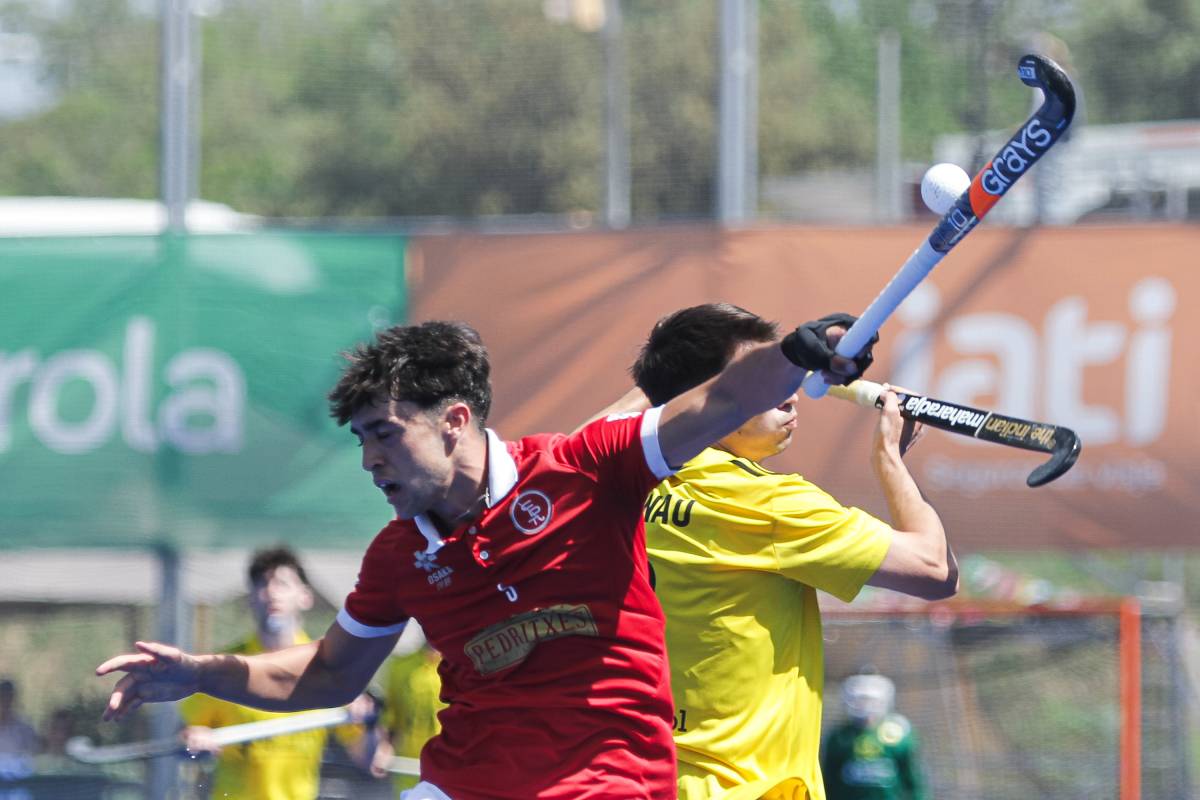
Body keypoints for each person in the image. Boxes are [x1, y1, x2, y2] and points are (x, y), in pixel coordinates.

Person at [95, 314, 875, 800]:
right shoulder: (398, 557)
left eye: (385, 433)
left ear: (454, 421)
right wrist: (201, 674)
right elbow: (326, 675)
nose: (369, 458)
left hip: (606, 786)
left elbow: (725, 399)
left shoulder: (586, 469)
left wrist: (802, 353)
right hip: (460, 785)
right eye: (360, 437)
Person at [628, 304, 955, 800]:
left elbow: (646, 405)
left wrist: (780, 360)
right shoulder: (768, 503)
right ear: (711, 399)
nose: (789, 394)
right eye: (765, 381)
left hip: (644, 778)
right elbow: (935, 569)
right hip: (748, 788)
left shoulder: (619, 476)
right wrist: (891, 458)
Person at [177, 546, 387, 800]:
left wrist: (369, 724)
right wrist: (194, 741)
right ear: (251, 598)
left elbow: (371, 760)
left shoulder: (326, 667)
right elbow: (186, 738)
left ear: (305, 596)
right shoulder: (226, 667)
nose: (272, 593)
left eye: (283, 584)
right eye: (262, 585)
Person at [821, 673, 928, 800]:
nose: (864, 705)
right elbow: (828, 782)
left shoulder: (900, 737)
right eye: (860, 700)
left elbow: (914, 783)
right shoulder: (839, 738)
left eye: (869, 700)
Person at [373, 621, 445, 795]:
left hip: (453, 772)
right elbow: (391, 719)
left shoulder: (466, 668)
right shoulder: (400, 666)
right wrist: (384, 748)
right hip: (410, 772)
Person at [0, 679, 36, 782]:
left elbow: (32, 758)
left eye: (8, 698)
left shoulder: (24, 729)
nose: (5, 703)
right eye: (2, 698)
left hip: (17, 784)